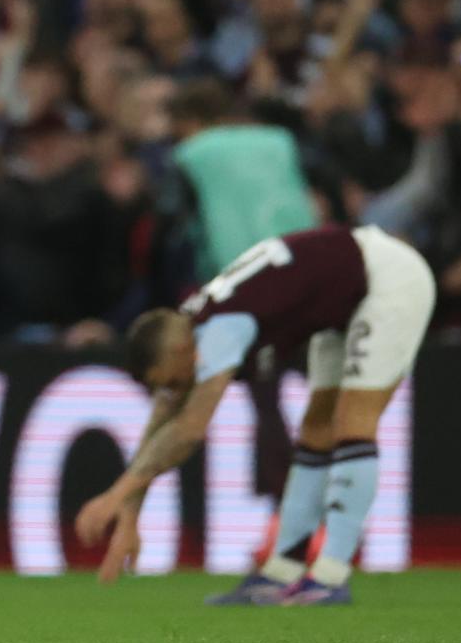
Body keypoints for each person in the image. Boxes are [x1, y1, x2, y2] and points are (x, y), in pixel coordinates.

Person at [75, 224, 437, 606]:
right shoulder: (189, 328)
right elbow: (162, 422)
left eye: (174, 381)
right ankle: (284, 571)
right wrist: (130, 513)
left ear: (184, 351)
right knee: (315, 427)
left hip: (388, 280)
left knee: (353, 421)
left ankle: (331, 576)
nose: (177, 391)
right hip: (345, 294)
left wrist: (114, 495)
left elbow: (188, 429)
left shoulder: (220, 328)